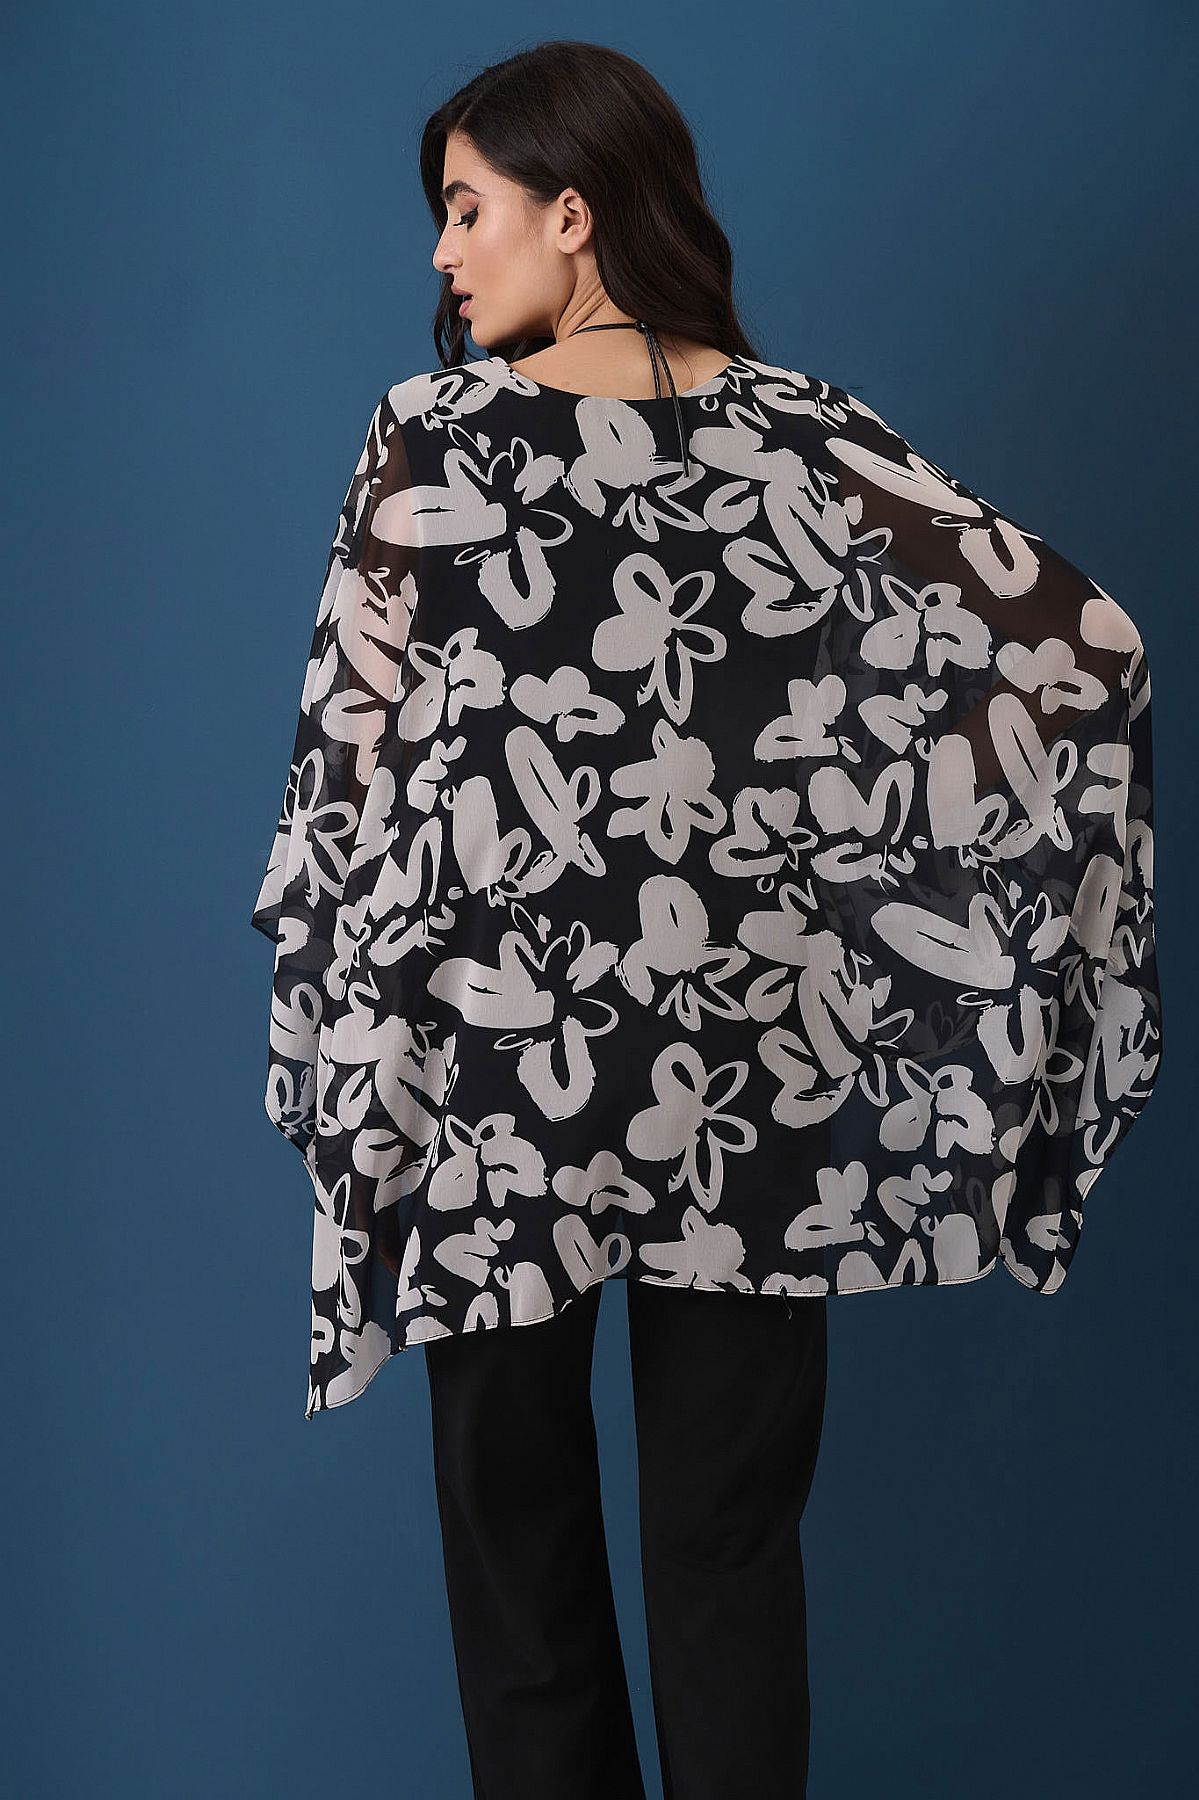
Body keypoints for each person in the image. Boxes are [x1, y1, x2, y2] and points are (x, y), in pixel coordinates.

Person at [250, 40, 1162, 1800]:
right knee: (729, 1552)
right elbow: (1081, 651)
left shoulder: (430, 439)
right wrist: (868, 875)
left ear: (572, 213)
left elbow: (347, 766)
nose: (442, 252)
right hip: (750, 1088)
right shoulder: (802, 434)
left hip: (498, 1083)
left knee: (516, 1551)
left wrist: (347, 1008)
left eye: (467, 208)